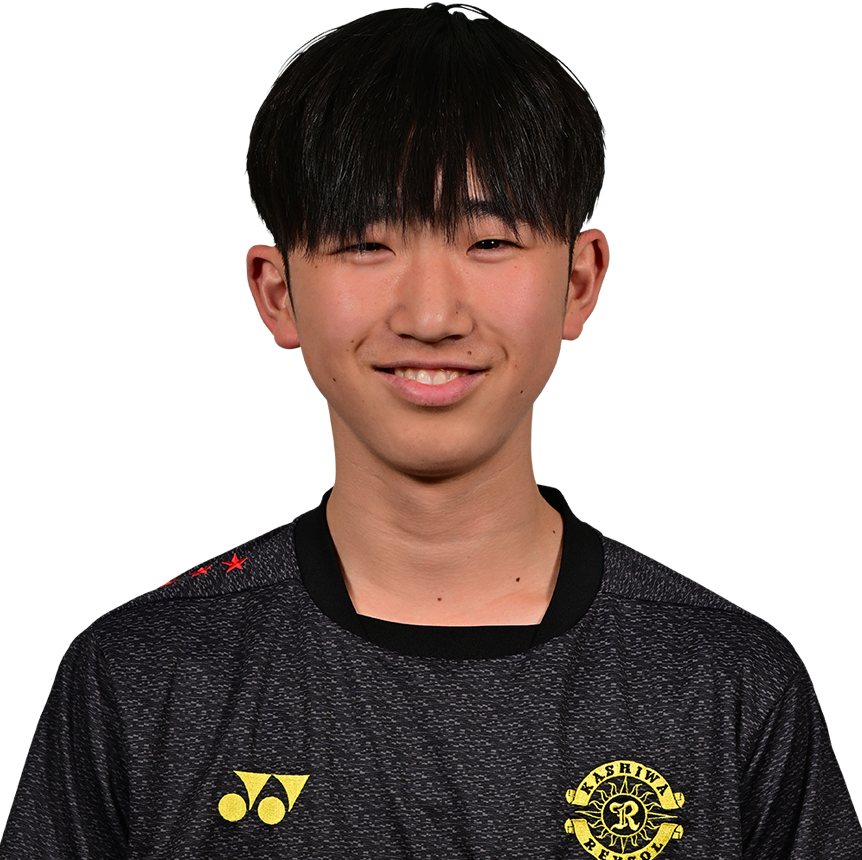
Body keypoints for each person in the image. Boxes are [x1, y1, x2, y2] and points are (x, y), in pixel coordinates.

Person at [2, 5, 860, 858]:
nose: (432, 315)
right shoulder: (143, 679)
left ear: (580, 282)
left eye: (489, 241)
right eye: (365, 242)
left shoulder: (725, 681)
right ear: (277, 293)